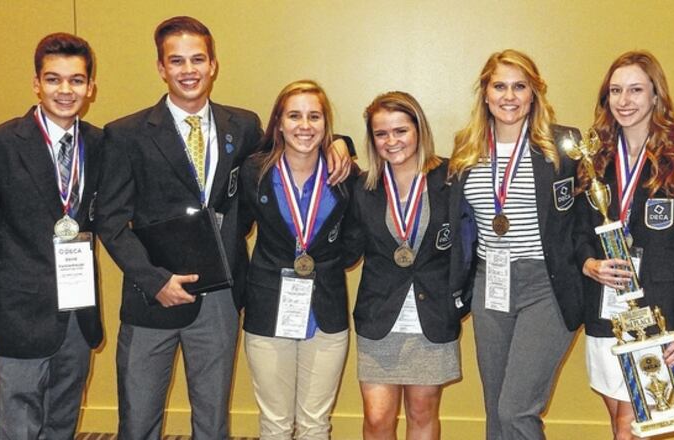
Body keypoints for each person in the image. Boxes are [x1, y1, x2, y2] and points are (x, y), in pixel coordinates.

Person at [95, 16, 351, 438]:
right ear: (161, 68)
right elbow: (110, 222)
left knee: (213, 423)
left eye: (198, 59)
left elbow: (298, 141)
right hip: (151, 298)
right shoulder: (127, 134)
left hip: (219, 297)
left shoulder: (243, 126)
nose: (188, 69)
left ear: (213, 64)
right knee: (138, 422)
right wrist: (154, 280)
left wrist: (341, 141)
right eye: (176, 61)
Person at [0, 33, 103, 438]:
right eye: (54, 79)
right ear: (36, 83)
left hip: (77, 314)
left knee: (62, 423)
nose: (65, 90)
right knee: (18, 426)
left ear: (91, 87)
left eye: (76, 80)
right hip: (16, 316)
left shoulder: (100, 144)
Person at [576, 50, 674, 440]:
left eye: (636, 90)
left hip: (660, 308)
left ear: (657, 95)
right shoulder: (594, 159)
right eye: (615, 91)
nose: (624, 101)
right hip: (605, 307)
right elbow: (577, 232)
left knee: (634, 425)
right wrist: (590, 263)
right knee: (621, 420)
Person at [449, 49, 583, 440]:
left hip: (546, 284)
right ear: (486, 94)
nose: (509, 96)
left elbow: (589, 210)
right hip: (489, 282)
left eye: (520, 86)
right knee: (496, 409)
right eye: (500, 86)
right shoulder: (467, 147)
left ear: (534, 93)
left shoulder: (563, 145)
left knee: (516, 409)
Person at [345, 91, 469, 440]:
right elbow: (348, 248)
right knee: (377, 417)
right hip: (379, 315)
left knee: (422, 412)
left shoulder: (450, 178)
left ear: (419, 130)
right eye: (381, 134)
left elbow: (470, 242)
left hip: (432, 315)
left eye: (400, 130)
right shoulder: (363, 186)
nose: (391, 141)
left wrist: (462, 297)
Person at [238, 80, 355, 440]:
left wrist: (345, 143)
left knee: (315, 422)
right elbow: (237, 226)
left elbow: (354, 240)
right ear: (278, 123)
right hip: (268, 305)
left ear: (326, 124)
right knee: (274, 422)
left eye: (314, 116)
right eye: (294, 116)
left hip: (326, 310)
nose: (305, 125)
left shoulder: (345, 177)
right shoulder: (253, 172)